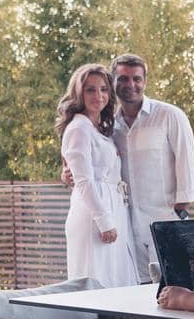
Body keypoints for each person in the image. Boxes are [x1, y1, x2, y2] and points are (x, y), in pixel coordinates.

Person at [62, 54, 194, 277]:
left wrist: (178, 212)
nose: (131, 85)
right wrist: (68, 175)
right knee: (134, 290)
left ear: (145, 81)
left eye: (137, 79)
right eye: (123, 79)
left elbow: (188, 168)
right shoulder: (108, 124)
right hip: (125, 222)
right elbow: (91, 167)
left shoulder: (169, 115)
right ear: (114, 82)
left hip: (163, 221)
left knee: (174, 285)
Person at [56, 63, 141, 288]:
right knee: (97, 282)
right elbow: (83, 181)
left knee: (116, 281)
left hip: (113, 208)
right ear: (78, 93)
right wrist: (104, 221)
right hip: (95, 215)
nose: (98, 95)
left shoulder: (99, 128)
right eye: (90, 90)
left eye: (103, 89)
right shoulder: (78, 129)